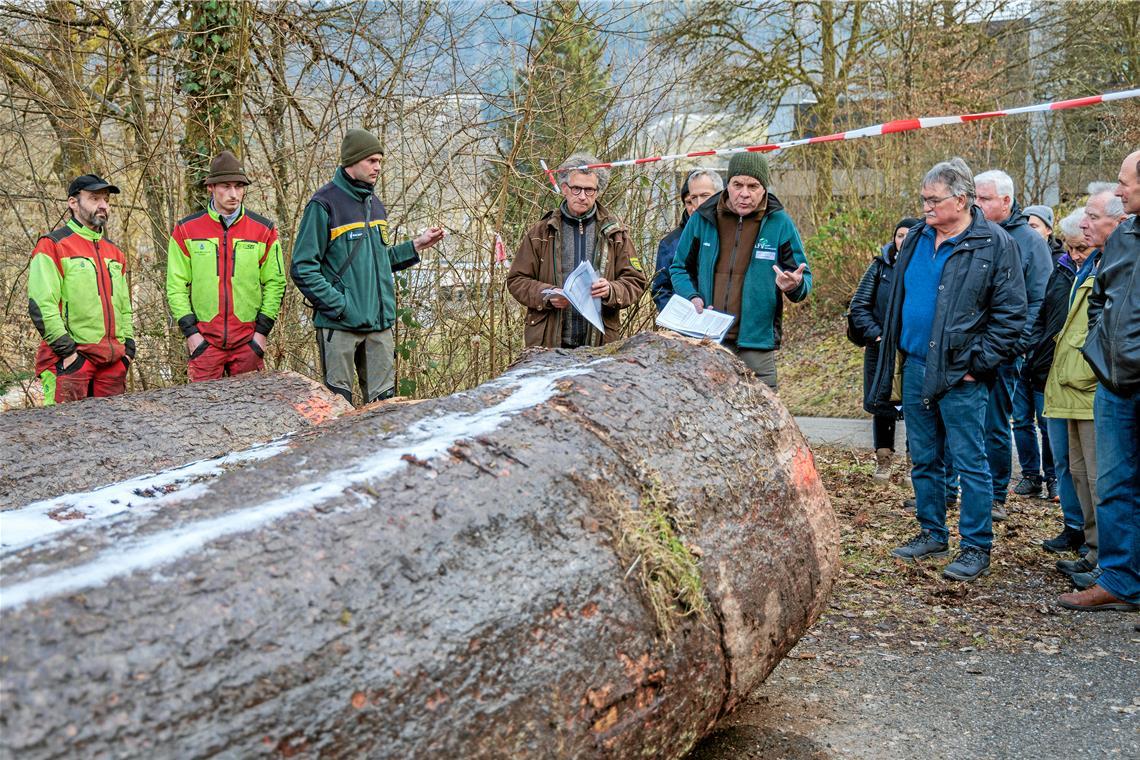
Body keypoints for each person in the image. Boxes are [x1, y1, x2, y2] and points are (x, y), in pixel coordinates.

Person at [870, 157, 1026, 582]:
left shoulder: (992, 243)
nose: (925, 207)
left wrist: (978, 364)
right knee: (924, 457)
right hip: (917, 364)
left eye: (933, 200)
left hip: (961, 373)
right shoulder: (919, 237)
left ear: (962, 199)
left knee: (970, 461)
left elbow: (1011, 313)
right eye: (923, 200)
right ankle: (931, 531)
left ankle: (976, 546)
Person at [291, 128, 444, 404]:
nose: (378, 167)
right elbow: (303, 267)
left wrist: (417, 245)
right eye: (372, 161)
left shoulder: (375, 205)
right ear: (352, 161)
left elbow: (376, 261)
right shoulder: (323, 204)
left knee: (385, 407)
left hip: (379, 324)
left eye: (380, 161)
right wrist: (339, 306)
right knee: (338, 408)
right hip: (340, 326)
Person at [1059, 152, 1140, 613]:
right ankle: (1120, 580)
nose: (1119, 188)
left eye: (1124, 182)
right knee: (1113, 484)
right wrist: (1099, 348)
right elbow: (1101, 296)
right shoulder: (1125, 234)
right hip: (1114, 384)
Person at [1043, 185, 1128, 589]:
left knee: (1103, 481)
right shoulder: (1085, 266)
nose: (1084, 224)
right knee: (1079, 475)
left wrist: (1096, 370)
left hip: (1094, 387)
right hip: (1068, 387)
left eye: (1092, 218)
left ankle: (1110, 564)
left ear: (1119, 219)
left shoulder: (1117, 260)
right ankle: (1094, 552)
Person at [670, 152, 812, 390]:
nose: (744, 193)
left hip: (756, 343)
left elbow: (803, 279)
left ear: (764, 188)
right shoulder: (704, 217)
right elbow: (679, 267)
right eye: (738, 185)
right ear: (728, 185)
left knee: (763, 419)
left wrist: (794, 286)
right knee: (709, 413)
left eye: (753, 186)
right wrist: (693, 297)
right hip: (709, 338)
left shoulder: (779, 222)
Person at [972, 170, 1052, 521]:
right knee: (967, 423)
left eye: (985, 198)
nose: (977, 204)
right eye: (974, 197)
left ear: (1006, 200)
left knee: (994, 424)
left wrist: (1014, 346)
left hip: (1005, 353)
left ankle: (995, 495)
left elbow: (1040, 302)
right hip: (969, 349)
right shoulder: (972, 233)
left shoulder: (1029, 242)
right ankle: (964, 487)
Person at [167, 151, 286, 382]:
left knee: (251, 412)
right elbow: (176, 285)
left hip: (247, 343)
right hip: (204, 343)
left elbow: (275, 282)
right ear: (211, 187)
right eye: (226, 186)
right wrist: (192, 334)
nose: (234, 194)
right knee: (201, 414)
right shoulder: (186, 230)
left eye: (239, 187)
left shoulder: (264, 230)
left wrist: (261, 333)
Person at [507, 153, 647, 348]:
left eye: (589, 190)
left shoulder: (615, 233)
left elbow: (635, 281)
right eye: (576, 189)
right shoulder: (540, 232)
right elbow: (517, 280)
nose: (582, 196)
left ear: (597, 192)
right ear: (565, 188)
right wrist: (547, 295)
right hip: (549, 343)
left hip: (599, 344)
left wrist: (611, 290)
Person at [28, 174, 135, 405]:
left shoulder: (115, 253)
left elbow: (125, 306)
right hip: (71, 363)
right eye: (95, 198)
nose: (103, 205)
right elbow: (41, 305)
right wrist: (68, 353)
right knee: (63, 436)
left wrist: (127, 350)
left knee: (115, 437)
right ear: (73, 203)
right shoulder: (53, 245)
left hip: (112, 364)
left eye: (106, 199)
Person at [849, 217, 921, 482]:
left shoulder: (927, 267)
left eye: (909, 235)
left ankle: (915, 465)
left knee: (916, 406)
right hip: (881, 349)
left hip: (913, 349)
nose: (903, 240)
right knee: (882, 404)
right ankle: (884, 461)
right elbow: (859, 306)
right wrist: (877, 336)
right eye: (899, 235)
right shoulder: (880, 267)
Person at [1036, 210, 1091, 555]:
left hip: (1083, 381)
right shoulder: (1060, 270)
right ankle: (1073, 526)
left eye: (1081, 248)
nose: (1075, 255)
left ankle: (1092, 535)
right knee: (1064, 462)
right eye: (1070, 248)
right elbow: (1044, 319)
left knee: (1088, 468)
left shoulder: (1103, 271)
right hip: (1051, 374)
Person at [1010, 202, 1060, 500]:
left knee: (1047, 422)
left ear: (1048, 230)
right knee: (1020, 419)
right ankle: (1031, 475)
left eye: (1035, 225)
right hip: (1020, 356)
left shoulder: (1061, 263)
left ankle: (1053, 476)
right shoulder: (1015, 255)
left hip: (1043, 357)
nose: (1030, 230)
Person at [651, 170, 723, 311]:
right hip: (685, 318)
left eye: (705, 196)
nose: (697, 205)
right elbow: (661, 290)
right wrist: (678, 316)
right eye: (690, 201)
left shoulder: (728, 233)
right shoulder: (670, 243)